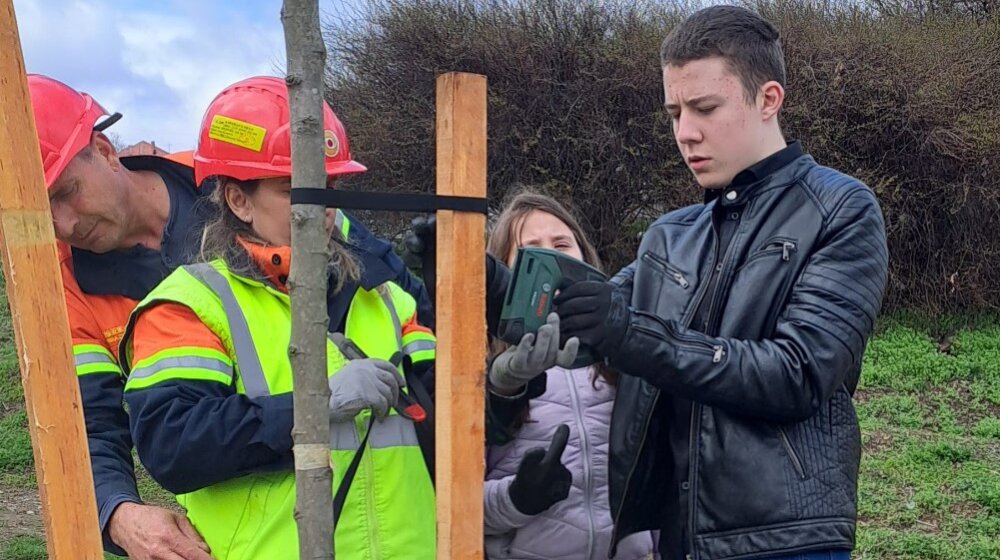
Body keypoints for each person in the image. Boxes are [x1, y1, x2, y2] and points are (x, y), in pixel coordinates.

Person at [28, 74, 432, 559]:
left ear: (105, 150)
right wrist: (116, 511)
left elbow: (393, 299)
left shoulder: (249, 179)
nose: (64, 224)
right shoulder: (63, 286)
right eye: (40, 210)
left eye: (66, 191)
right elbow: (85, 424)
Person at [553, 6, 889, 560]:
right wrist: (488, 285)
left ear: (768, 99)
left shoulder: (839, 209)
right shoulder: (671, 233)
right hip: (676, 537)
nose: (686, 132)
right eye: (675, 111)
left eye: (705, 107)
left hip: (783, 540)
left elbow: (798, 374)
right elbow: (595, 320)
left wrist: (629, 332)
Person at [482, 189, 657, 560]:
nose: (551, 257)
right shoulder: (480, 365)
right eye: (532, 249)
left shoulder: (625, 355)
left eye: (562, 244)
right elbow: (452, 503)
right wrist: (518, 498)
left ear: (584, 256)